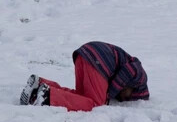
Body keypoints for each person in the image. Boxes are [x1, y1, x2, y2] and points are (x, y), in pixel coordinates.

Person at [20, 41, 149, 112]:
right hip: (98, 59)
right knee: (97, 105)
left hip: (85, 54)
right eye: (127, 97)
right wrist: (109, 94)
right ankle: (48, 97)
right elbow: (128, 71)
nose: (123, 98)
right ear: (134, 90)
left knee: (81, 98)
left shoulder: (129, 73)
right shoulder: (140, 76)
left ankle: (41, 85)